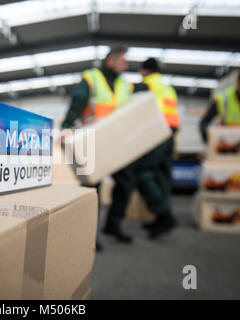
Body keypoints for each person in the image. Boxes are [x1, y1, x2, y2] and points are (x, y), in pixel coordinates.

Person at [61, 47, 133, 247]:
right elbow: (78, 101)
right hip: (94, 139)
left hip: (118, 140)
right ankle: (89, 234)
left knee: (126, 181)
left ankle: (113, 224)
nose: (126, 65)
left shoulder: (123, 83)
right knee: (93, 186)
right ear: (111, 59)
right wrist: (66, 126)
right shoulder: (92, 78)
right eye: (123, 61)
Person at [103, 58, 180, 241]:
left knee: (141, 172)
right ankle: (161, 217)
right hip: (169, 135)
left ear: (144, 71)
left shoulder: (145, 86)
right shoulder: (167, 87)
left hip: (155, 136)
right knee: (160, 177)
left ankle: (164, 216)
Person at [200, 70, 240, 142]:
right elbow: (204, 123)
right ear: (237, 84)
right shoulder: (223, 100)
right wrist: (210, 138)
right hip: (230, 147)